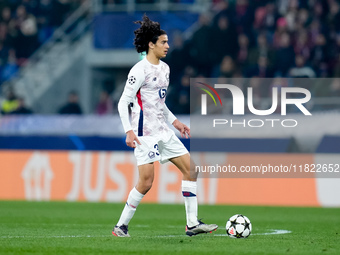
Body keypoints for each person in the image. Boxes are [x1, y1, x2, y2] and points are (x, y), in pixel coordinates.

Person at [113, 15, 218, 237]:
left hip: (163, 131)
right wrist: (128, 130)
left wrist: (175, 122)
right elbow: (123, 102)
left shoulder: (165, 69)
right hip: (144, 133)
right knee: (146, 182)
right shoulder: (139, 70)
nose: (168, 46)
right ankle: (121, 226)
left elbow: (159, 104)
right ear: (151, 45)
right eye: (163, 42)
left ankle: (192, 224)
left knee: (191, 169)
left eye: (168, 42)